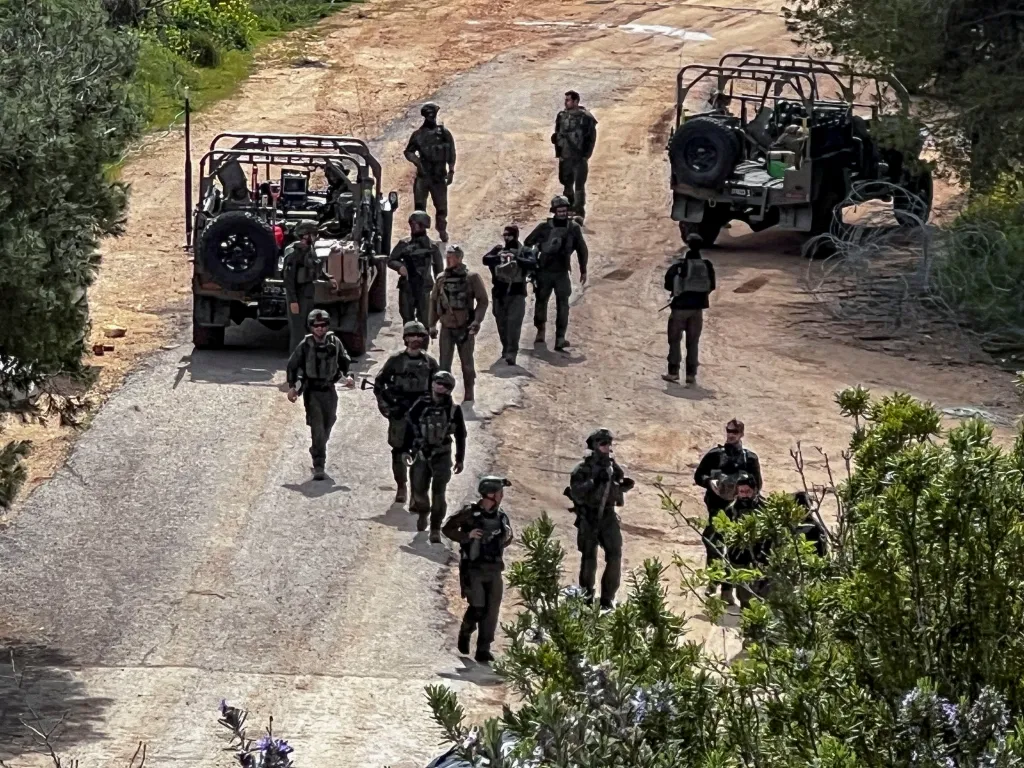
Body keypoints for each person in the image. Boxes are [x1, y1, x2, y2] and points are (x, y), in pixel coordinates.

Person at [442, 475, 514, 664]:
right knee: (478, 607)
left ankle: (483, 649)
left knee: (492, 612)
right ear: (490, 494)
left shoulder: (501, 516)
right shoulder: (470, 513)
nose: (501, 496)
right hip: (473, 569)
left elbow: (507, 539)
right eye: (499, 492)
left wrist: (504, 537)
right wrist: (467, 536)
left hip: (494, 569)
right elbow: (448, 529)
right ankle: (466, 630)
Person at [567, 428, 635, 609]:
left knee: (615, 555)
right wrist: (594, 481)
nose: (607, 447)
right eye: (603, 443)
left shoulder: (612, 467)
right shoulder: (583, 469)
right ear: (595, 445)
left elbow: (616, 486)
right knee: (589, 558)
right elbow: (577, 492)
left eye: (608, 443)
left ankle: (607, 598)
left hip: (608, 516)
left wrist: (623, 486)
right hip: (589, 516)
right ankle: (586, 597)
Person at [693, 419, 762, 598]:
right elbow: (699, 475)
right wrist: (710, 481)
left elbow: (758, 484)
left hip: (740, 512)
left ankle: (727, 589)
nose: (731, 435)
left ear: (741, 434)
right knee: (712, 544)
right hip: (717, 509)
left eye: (735, 432)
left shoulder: (749, 458)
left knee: (734, 550)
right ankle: (714, 580)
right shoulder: (715, 455)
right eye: (729, 431)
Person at [374, 321, 440, 503]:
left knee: (421, 453)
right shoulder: (396, 361)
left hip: (421, 414)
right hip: (400, 413)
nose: (416, 340)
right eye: (412, 336)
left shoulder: (430, 363)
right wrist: (387, 407)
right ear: (405, 339)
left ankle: (417, 491)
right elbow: (379, 384)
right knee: (399, 450)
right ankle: (401, 486)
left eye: (420, 336)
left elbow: (440, 389)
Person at [285, 309, 355, 480]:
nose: (320, 329)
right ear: (311, 327)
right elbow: (293, 365)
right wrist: (293, 387)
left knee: (329, 422)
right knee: (317, 427)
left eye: (323, 325)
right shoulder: (305, 345)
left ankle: (318, 447)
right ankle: (319, 463)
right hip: (312, 391)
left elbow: (345, 361)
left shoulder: (335, 342)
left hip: (329, 390)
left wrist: (350, 376)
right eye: (316, 326)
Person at [405, 370, 467, 541]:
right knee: (418, 490)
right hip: (421, 454)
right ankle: (424, 511)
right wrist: (405, 449)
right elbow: (409, 425)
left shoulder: (454, 410)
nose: (440, 387)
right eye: (438, 382)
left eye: (445, 385)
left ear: (450, 389)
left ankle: (435, 528)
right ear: (432, 383)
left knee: (439, 493)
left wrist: (460, 458)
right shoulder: (421, 404)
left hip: (442, 455)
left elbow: (461, 434)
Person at [524, 196, 588, 351]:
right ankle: (541, 331)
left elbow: (582, 249)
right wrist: (533, 257)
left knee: (563, 305)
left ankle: (560, 337)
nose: (561, 213)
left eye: (564, 210)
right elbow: (527, 242)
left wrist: (583, 268)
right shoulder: (544, 227)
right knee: (541, 302)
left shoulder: (573, 228)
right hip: (544, 271)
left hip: (561, 272)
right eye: (559, 210)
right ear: (554, 211)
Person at [428, 245, 489, 402]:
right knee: (444, 365)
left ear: (460, 258)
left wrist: (476, 321)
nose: (449, 259)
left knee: (467, 364)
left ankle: (469, 393)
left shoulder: (471, 277)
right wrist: (432, 324)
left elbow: (482, 300)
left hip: (465, 328)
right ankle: (443, 396)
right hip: (446, 328)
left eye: (453, 256)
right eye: (447, 256)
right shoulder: (441, 278)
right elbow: (434, 302)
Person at [662, 233, 716, 385]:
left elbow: (667, 285)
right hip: (697, 309)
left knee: (674, 341)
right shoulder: (707, 266)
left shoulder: (679, 266)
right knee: (693, 343)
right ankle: (691, 375)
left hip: (679, 309)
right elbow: (711, 286)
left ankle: (673, 372)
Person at [404, 102, 456, 242]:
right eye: (430, 115)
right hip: (424, 175)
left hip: (439, 175)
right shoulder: (418, 135)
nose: (432, 118)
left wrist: (451, 171)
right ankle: (420, 233)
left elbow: (451, 152)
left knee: (441, 207)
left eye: (433, 115)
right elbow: (408, 151)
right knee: (420, 207)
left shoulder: (444, 133)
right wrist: (417, 162)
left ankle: (442, 230)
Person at [283, 221, 337, 352]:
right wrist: (293, 301)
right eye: (313, 234)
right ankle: (297, 358)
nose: (315, 237)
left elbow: (314, 266)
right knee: (298, 331)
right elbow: (288, 279)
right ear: (306, 235)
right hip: (298, 294)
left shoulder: (309, 249)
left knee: (308, 328)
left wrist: (327, 277)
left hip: (307, 292)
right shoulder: (293, 252)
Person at [482, 225, 531, 365]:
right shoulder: (499, 250)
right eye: (505, 235)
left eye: (509, 235)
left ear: (515, 235)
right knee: (501, 322)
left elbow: (532, 263)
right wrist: (500, 257)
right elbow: (485, 260)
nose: (507, 237)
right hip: (499, 292)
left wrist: (516, 258)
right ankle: (506, 347)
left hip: (517, 293)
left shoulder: (524, 251)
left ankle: (511, 352)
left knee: (514, 324)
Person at [388, 211, 444, 325]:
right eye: (411, 224)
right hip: (407, 287)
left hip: (425, 288)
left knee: (425, 321)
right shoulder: (404, 243)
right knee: (407, 320)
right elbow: (391, 260)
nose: (413, 227)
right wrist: (400, 267)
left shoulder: (432, 246)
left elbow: (439, 271)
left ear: (424, 226)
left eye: (416, 224)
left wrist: (440, 291)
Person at [551, 90, 598, 220]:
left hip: (579, 157)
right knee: (567, 184)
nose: (566, 102)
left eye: (568, 100)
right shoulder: (562, 116)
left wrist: (586, 155)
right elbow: (558, 133)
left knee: (579, 186)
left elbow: (591, 138)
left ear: (576, 101)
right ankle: (567, 210)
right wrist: (559, 152)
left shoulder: (586, 117)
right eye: (566, 100)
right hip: (565, 156)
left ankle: (578, 212)